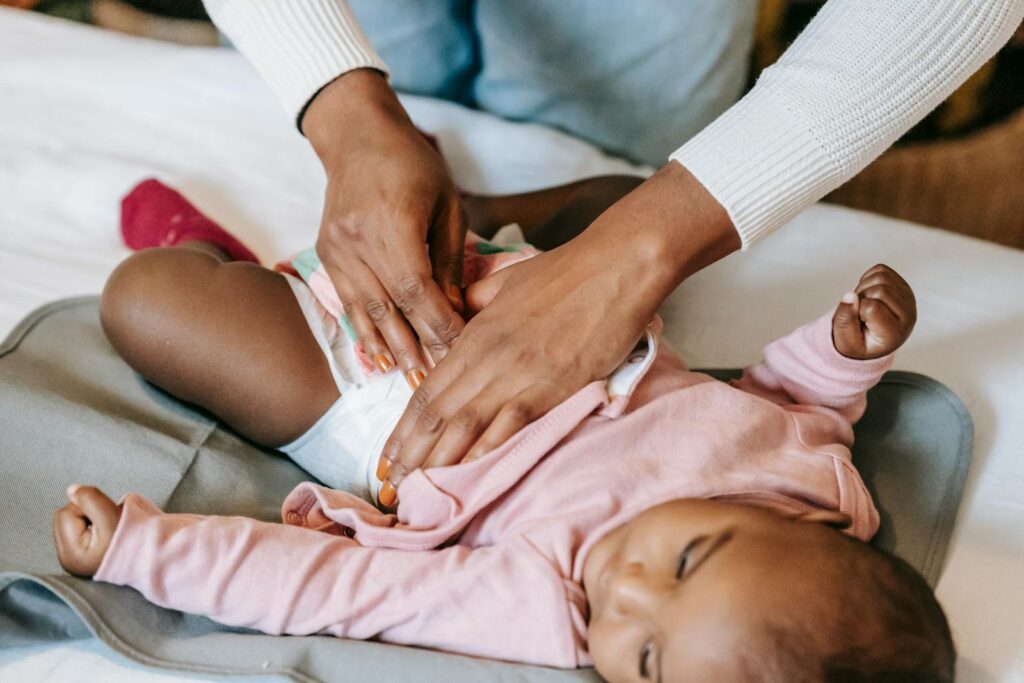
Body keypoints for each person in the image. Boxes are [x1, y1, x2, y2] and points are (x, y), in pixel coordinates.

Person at [53, 177, 952, 681]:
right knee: (637, 195)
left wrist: (147, 550)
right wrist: (844, 356)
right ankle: (467, 212)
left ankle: (218, 253)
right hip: (569, 301)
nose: (628, 585)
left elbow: (341, 590)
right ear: (808, 526)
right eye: (688, 559)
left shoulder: (544, 601)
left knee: (152, 302)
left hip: (389, 388)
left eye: (642, 658)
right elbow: (792, 407)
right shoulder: (813, 481)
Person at [197, 1, 1024, 503]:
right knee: (569, 170)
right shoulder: (785, 496)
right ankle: (462, 196)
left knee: (608, 142)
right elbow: (791, 412)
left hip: (368, 389)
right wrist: (346, 109)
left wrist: (634, 253)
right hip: (510, 289)